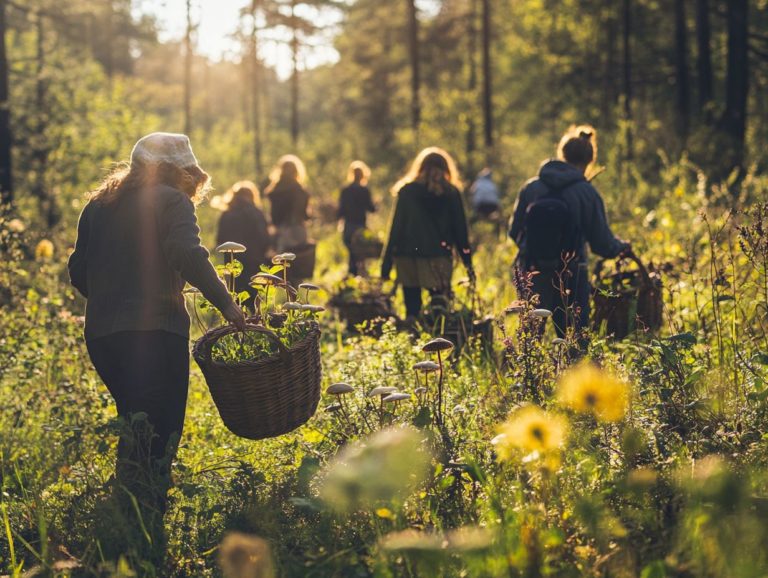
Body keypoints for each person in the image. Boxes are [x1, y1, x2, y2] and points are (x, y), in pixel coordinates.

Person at [67, 132, 246, 562]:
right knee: (160, 433)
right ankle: (145, 538)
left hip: (104, 337)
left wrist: (112, 296)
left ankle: (121, 528)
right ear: (182, 170)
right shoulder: (172, 200)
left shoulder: (99, 206)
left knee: (135, 423)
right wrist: (229, 306)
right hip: (155, 333)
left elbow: (78, 270)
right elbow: (187, 251)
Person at [509, 125, 630, 338]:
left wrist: (539, 250)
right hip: (572, 275)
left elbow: (514, 232)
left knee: (530, 339)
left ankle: (529, 372)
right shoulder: (587, 193)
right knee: (573, 338)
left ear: (562, 154)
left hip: (532, 271)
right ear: (589, 160)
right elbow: (603, 244)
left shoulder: (532, 188)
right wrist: (621, 247)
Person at [381, 147, 474, 322]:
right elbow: (460, 230)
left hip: (407, 256)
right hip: (438, 258)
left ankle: (413, 337)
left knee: (412, 308)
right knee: (439, 306)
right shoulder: (451, 193)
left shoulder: (407, 191)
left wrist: (386, 264)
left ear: (420, 167)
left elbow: (395, 228)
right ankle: (440, 339)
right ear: (447, 169)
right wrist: (468, 264)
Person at [214, 180, 270, 306]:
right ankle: (254, 322)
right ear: (252, 196)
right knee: (254, 296)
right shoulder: (256, 213)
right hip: (254, 260)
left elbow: (219, 239)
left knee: (235, 294)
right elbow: (264, 237)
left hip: (232, 261)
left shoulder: (227, 213)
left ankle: (236, 321)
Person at [264, 155, 310, 252]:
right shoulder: (300, 191)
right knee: (300, 260)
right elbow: (305, 215)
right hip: (298, 230)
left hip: (281, 232)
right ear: (296, 172)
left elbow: (274, 217)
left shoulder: (275, 191)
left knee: (283, 263)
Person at [338, 160, 375, 276]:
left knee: (352, 251)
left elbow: (341, 210)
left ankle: (352, 274)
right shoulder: (365, 191)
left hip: (348, 225)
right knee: (360, 252)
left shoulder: (345, 190)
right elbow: (371, 209)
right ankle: (358, 275)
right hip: (360, 226)